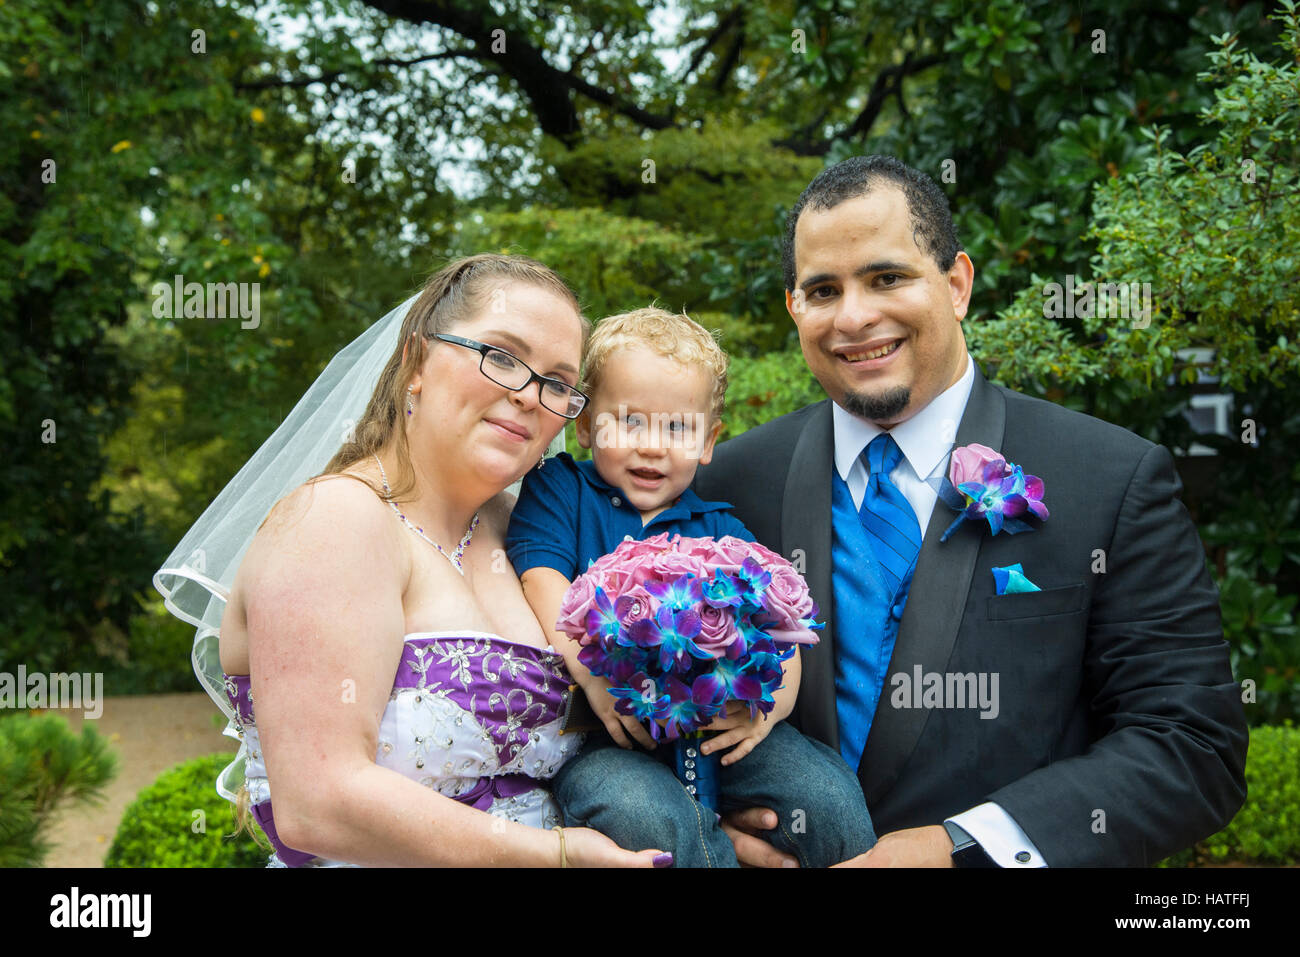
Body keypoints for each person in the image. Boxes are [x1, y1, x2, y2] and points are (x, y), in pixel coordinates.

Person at [695, 155, 1249, 867]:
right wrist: (708, 820)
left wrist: (963, 846)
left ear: (956, 284)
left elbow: (1192, 746)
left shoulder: (1110, 479)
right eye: (823, 289)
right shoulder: (731, 483)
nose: (855, 315)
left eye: (886, 277)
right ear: (794, 307)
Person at [155, 254, 669, 867]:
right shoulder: (337, 520)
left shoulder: (534, 533)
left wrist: (696, 829)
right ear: (415, 361)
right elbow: (318, 803)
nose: (530, 397)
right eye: (502, 356)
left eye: (557, 382)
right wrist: (553, 856)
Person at [505, 307, 875, 867]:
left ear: (709, 441)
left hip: (713, 729)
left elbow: (783, 626)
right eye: (628, 421)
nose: (653, 446)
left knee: (824, 796)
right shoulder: (561, 491)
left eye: (678, 427)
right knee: (646, 815)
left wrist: (766, 712)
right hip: (608, 733)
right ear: (584, 427)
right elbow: (542, 578)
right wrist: (595, 676)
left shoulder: (723, 531)